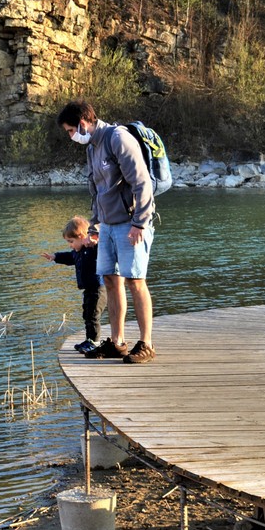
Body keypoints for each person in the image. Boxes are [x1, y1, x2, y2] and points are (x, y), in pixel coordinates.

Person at [56, 100, 157, 364]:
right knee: (111, 281)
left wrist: (139, 223)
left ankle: (146, 344)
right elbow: (97, 192)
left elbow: (142, 182)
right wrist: (94, 227)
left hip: (130, 224)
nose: (70, 136)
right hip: (106, 228)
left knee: (135, 281)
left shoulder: (118, 139)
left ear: (82, 123)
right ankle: (117, 342)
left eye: (70, 130)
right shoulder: (91, 147)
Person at [40, 216, 107, 355]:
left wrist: (95, 240)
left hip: (98, 288)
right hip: (88, 289)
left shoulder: (93, 249)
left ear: (83, 236)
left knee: (94, 315)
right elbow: (69, 257)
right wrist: (55, 257)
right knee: (87, 314)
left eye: (71, 241)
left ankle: (94, 342)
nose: (70, 245)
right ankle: (89, 339)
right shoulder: (77, 253)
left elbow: (104, 249)